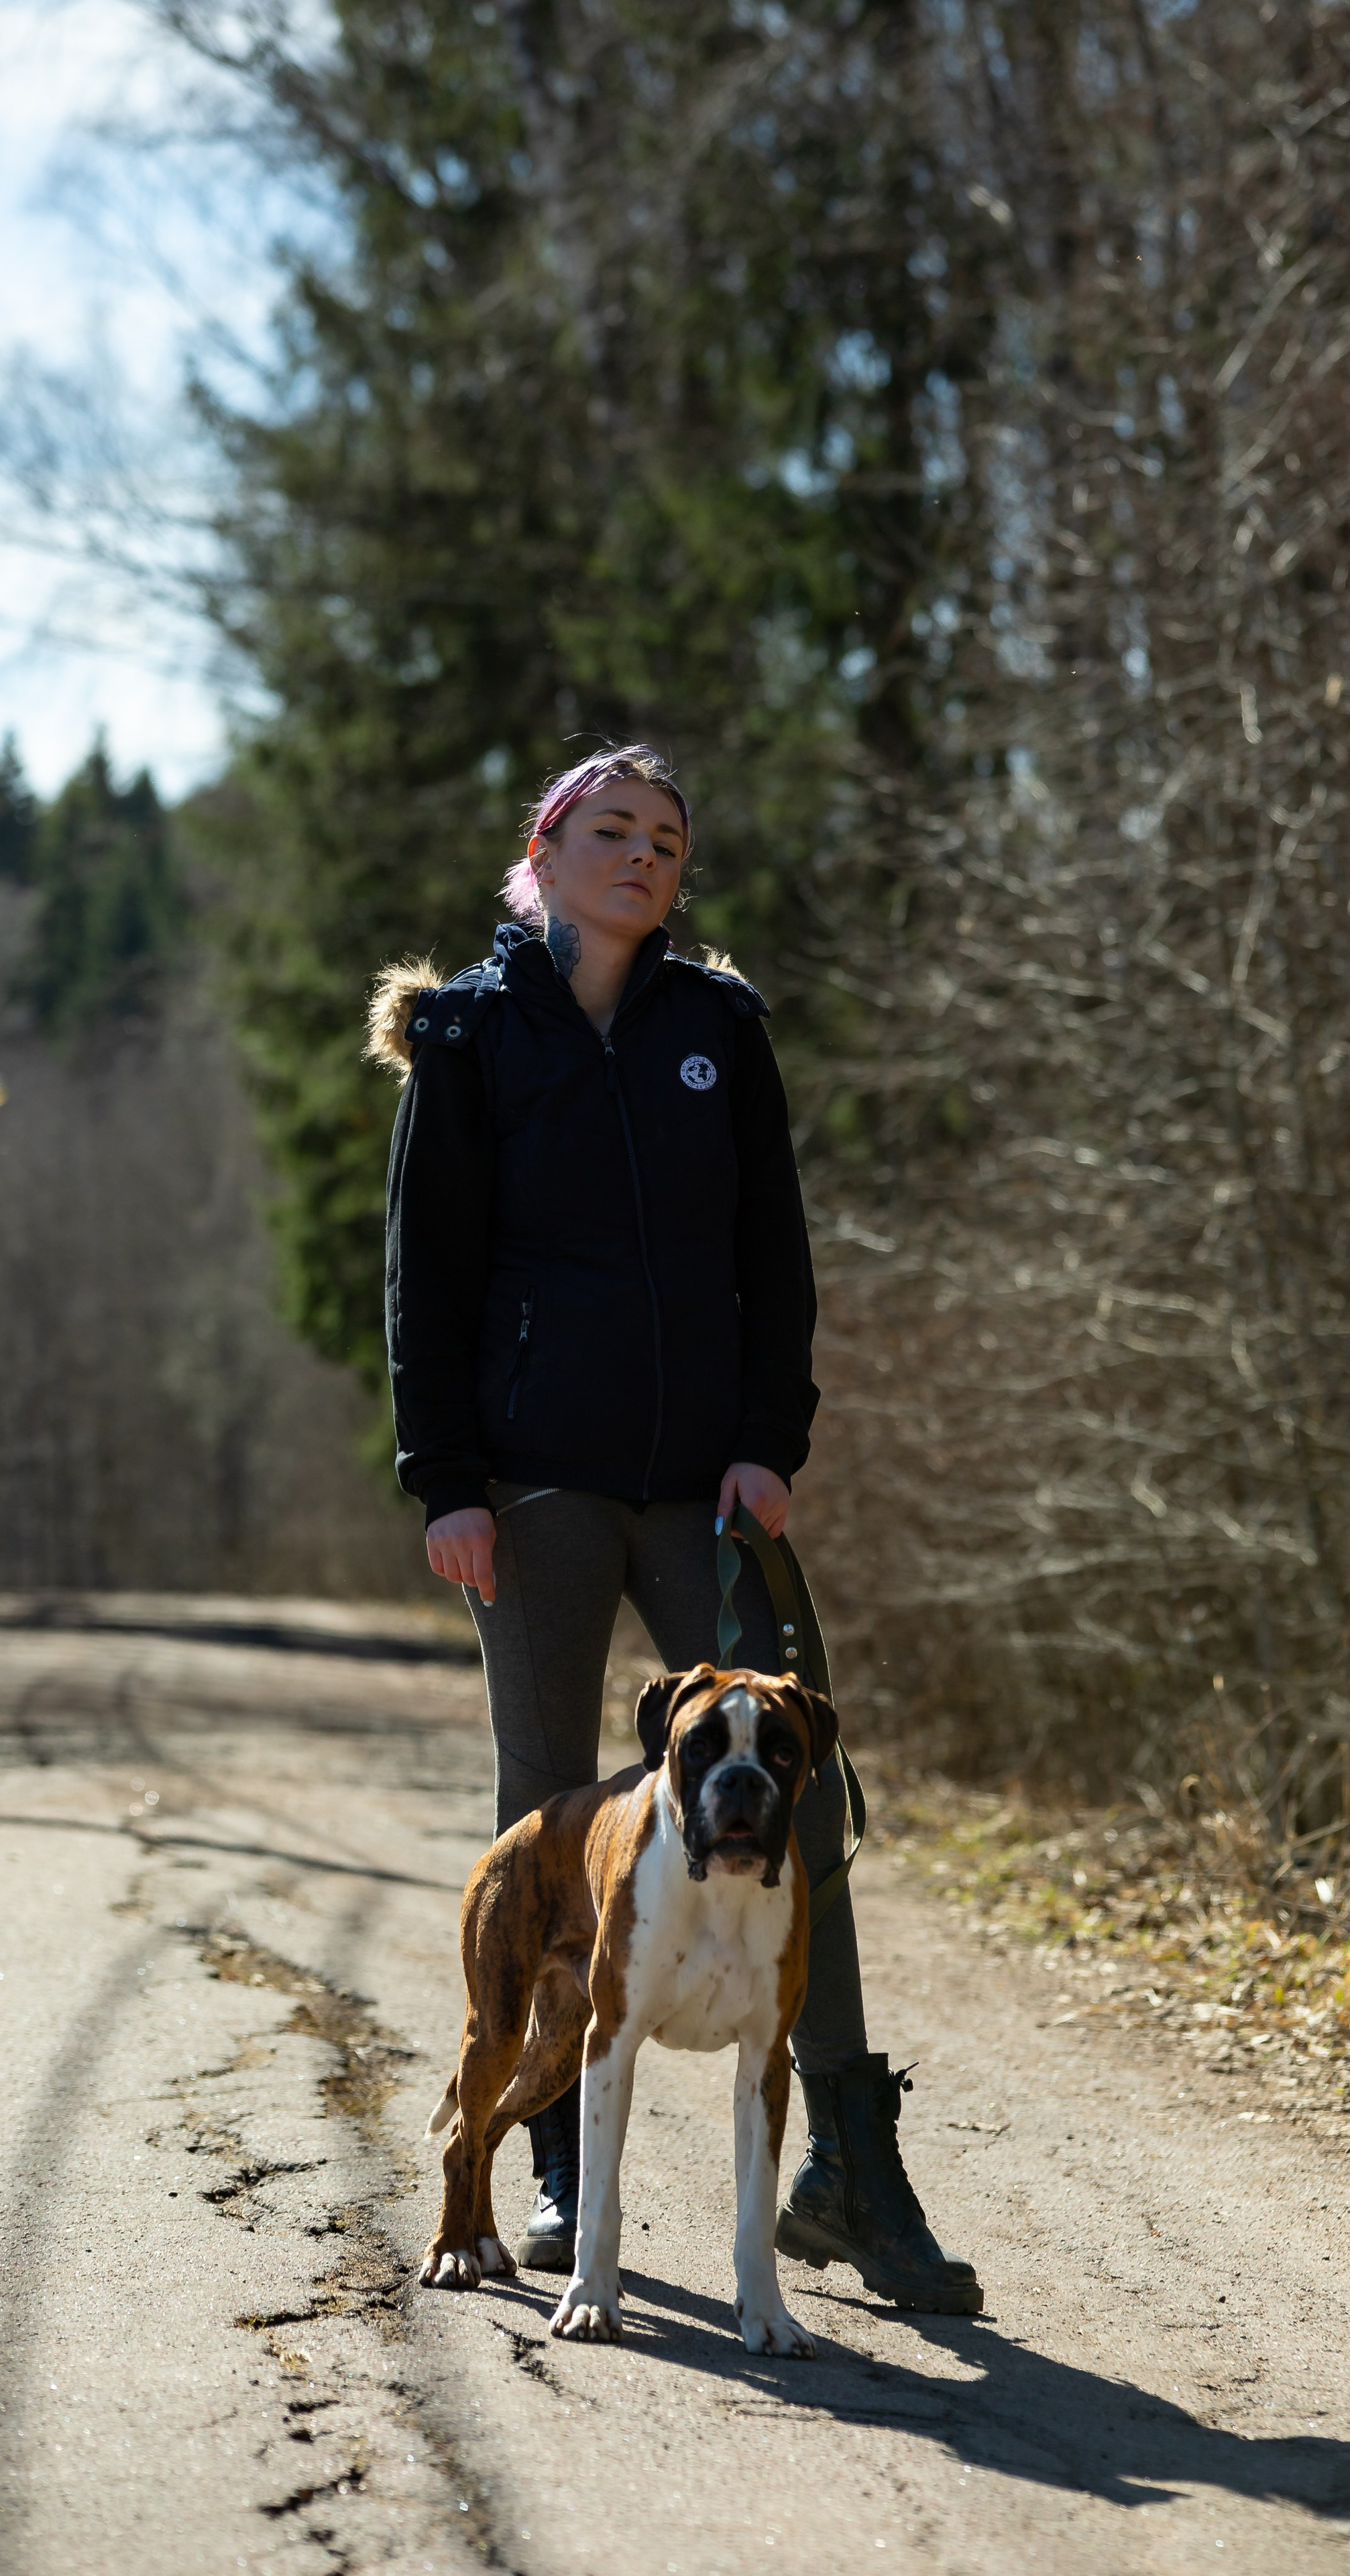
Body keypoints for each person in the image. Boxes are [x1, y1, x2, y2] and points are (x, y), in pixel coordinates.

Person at [368, 743, 980, 2314]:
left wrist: (769, 1442)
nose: (643, 857)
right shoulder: (467, 1033)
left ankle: (845, 2160)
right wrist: (445, 1475)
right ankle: (568, 2158)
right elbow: (423, 1275)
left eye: (667, 841)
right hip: (530, 1487)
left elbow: (772, 1252)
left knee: (793, 1792)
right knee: (550, 1814)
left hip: (705, 1487)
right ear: (546, 848)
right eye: (612, 832)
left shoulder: (717, 1028)